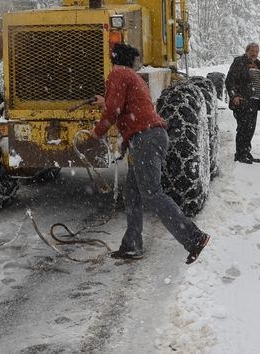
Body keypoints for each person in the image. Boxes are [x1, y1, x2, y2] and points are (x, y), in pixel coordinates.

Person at [90, 43, 210, 263]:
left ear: (114, 58)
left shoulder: (118, 73)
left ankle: (194, 237)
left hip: (145, 138)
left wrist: (97, 133)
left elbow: (114, 109)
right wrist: (105, 102)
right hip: (150, 137)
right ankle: (132, 245)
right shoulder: (132, 76)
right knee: (132, 193)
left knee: (152, 194)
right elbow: (127, 106)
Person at [225, 42, 260, 164]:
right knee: (243, 128)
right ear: (247, 51)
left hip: (254, 102)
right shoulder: (239, 62)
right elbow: (230, 80)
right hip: (243, 101)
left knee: (250, 129)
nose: (254, 54)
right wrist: (234, 95)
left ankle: (246, 152)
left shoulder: (258, 65)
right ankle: (240, 154)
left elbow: (258, 81)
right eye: (252, 51)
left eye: (256, 51)